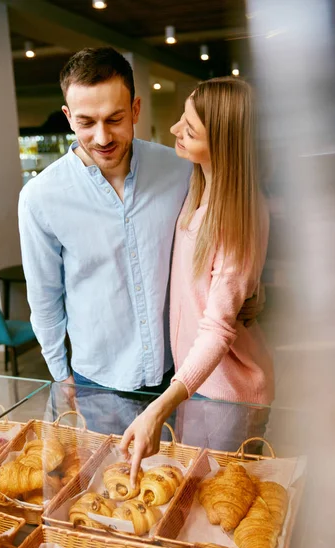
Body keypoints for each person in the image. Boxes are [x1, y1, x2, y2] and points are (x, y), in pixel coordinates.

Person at [19, 48, 262, 433]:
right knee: (108, 490)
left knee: (177, 488)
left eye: (114, 119)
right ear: (67, 116)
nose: (102, 137)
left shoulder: (181, 168)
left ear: (135, 109)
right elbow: (44, 298)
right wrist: (60, 375)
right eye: (86, 122)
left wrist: (249, 289)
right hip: (96, 382)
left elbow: (227, 220)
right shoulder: (40, 197)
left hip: (181, 375)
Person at [120, 77, 274, 483]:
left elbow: (218, 329)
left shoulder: (239, 215)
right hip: (196, 383)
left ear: (223, 145)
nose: (174, 131)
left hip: (228, 396)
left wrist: (161, 405)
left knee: (216, 510)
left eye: (189, 129)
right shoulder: (199, 187)